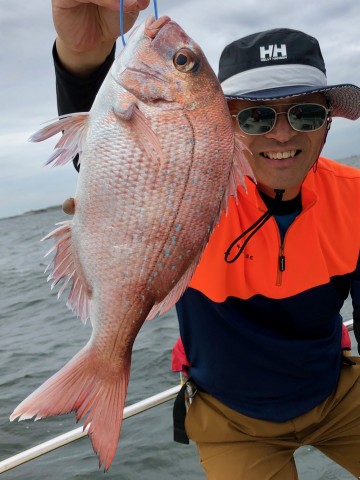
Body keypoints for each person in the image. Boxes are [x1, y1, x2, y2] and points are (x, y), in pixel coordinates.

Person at [51, 1, 360, 478]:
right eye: (255, 117)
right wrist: (80, 56)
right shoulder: (195, 195)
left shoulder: (355, 199)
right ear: (225, 124)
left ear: (328, 124)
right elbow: (109, 157)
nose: (281, 135)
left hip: (338, 394)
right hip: (230, 420)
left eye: (304, 113)